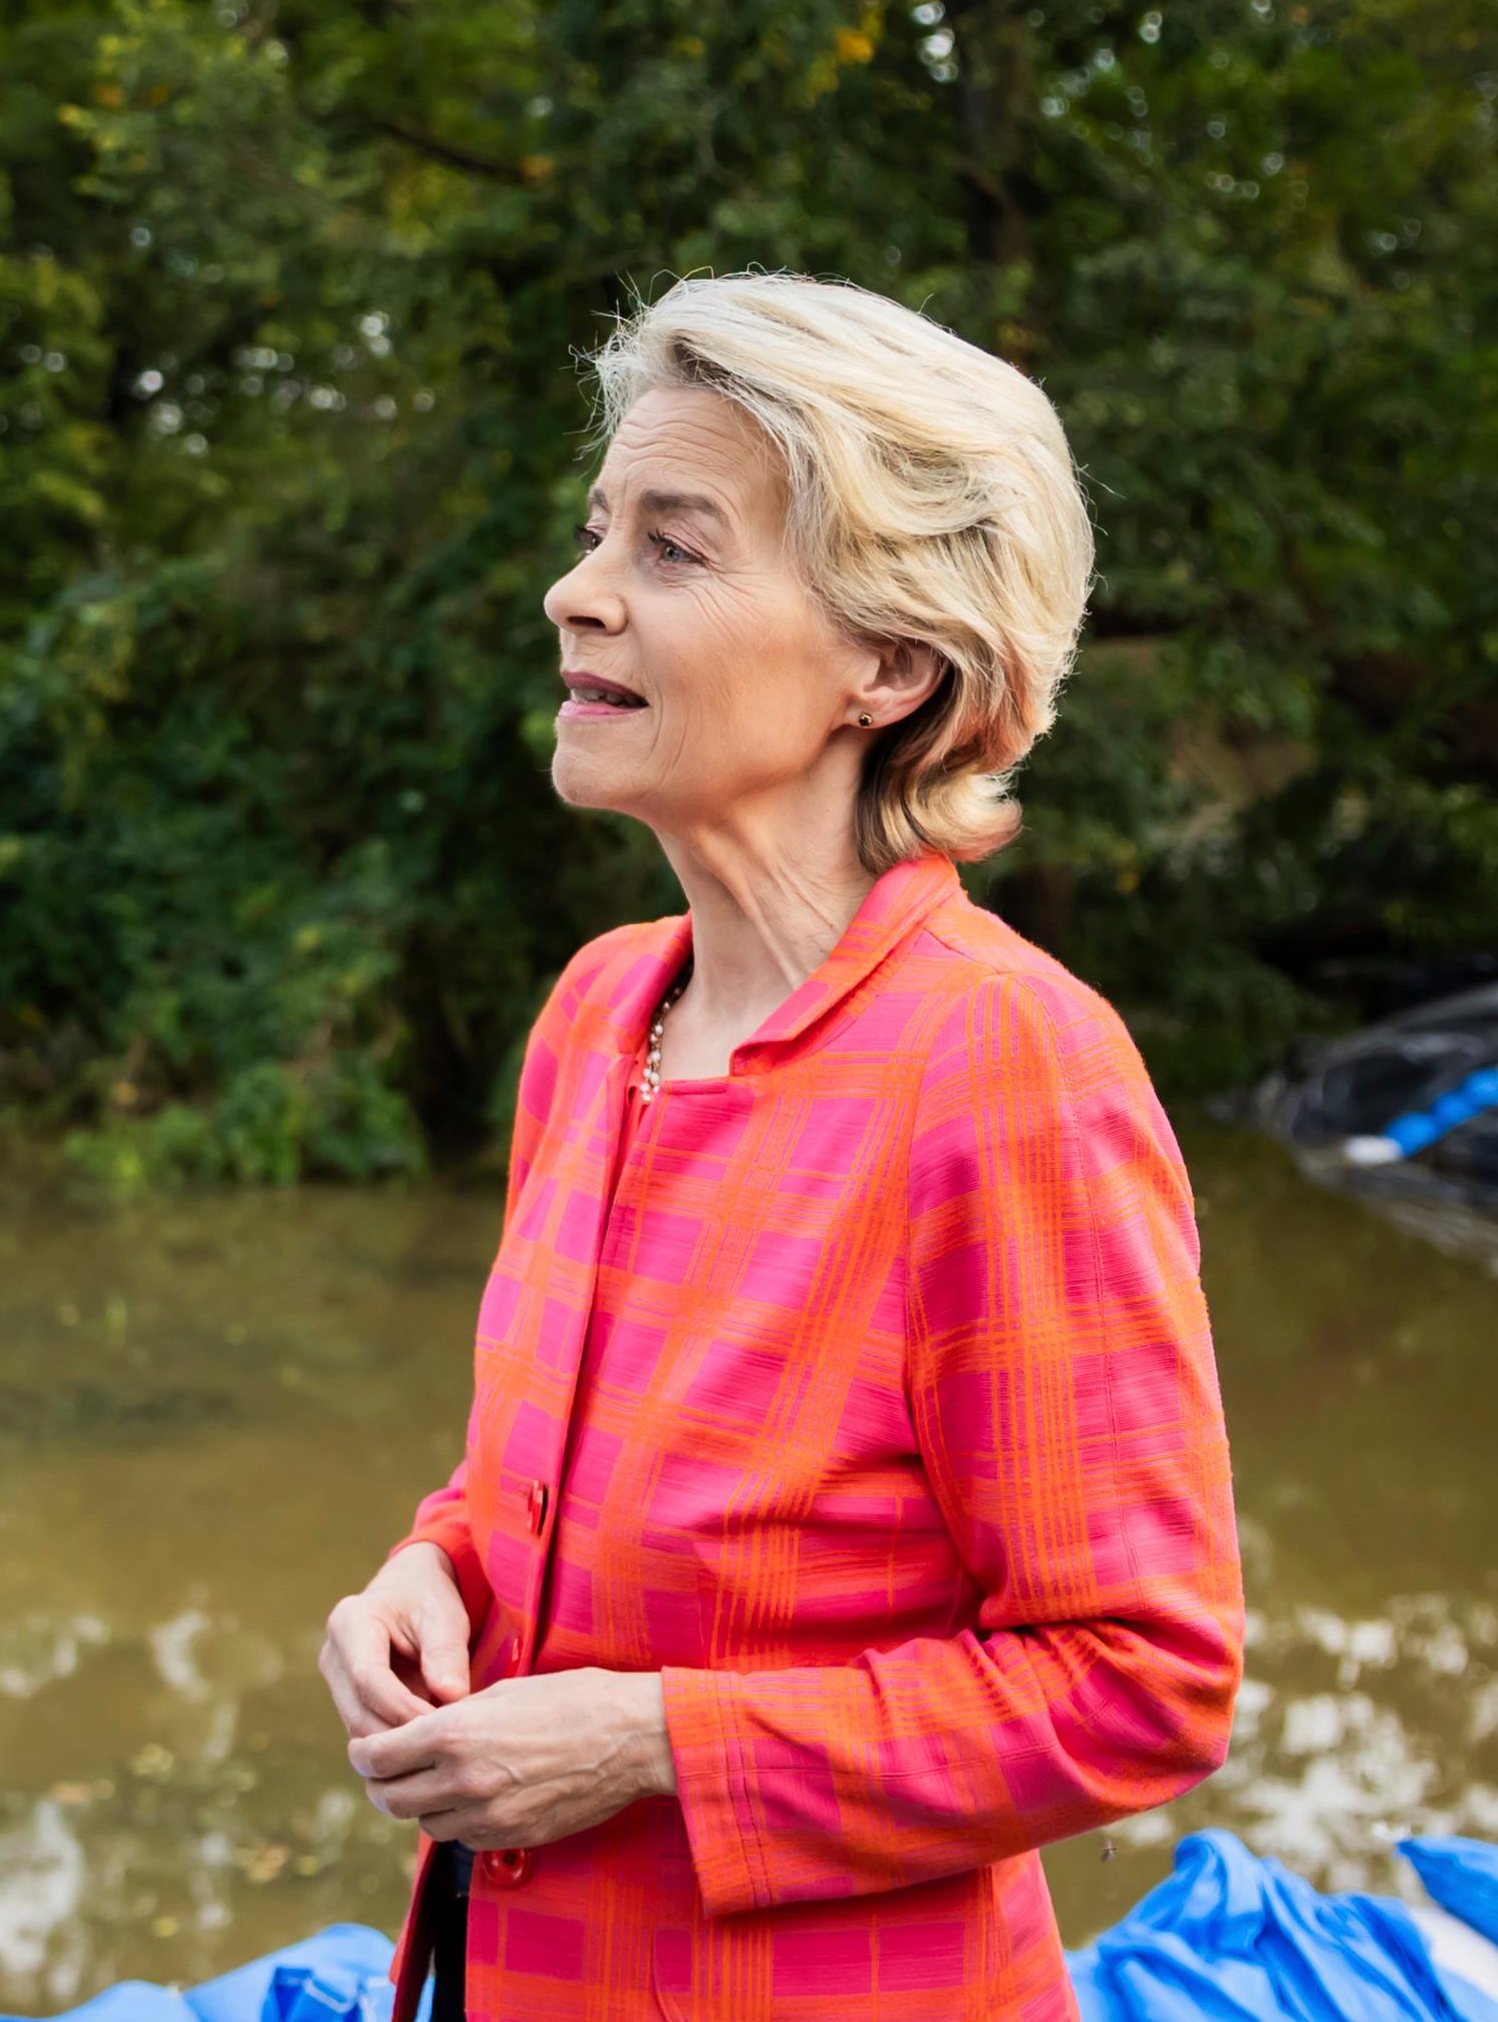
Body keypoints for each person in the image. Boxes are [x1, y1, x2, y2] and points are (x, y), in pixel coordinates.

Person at [314, 275, 1242, 2020]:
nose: (574, 591)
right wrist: (429, 1568)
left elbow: (1141, 1680)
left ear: (888, 664)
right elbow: (543, 1483)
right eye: (601, 532)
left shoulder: (1005, 1069)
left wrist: (657, 1744)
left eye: (674, 548)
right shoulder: (598, 1016)